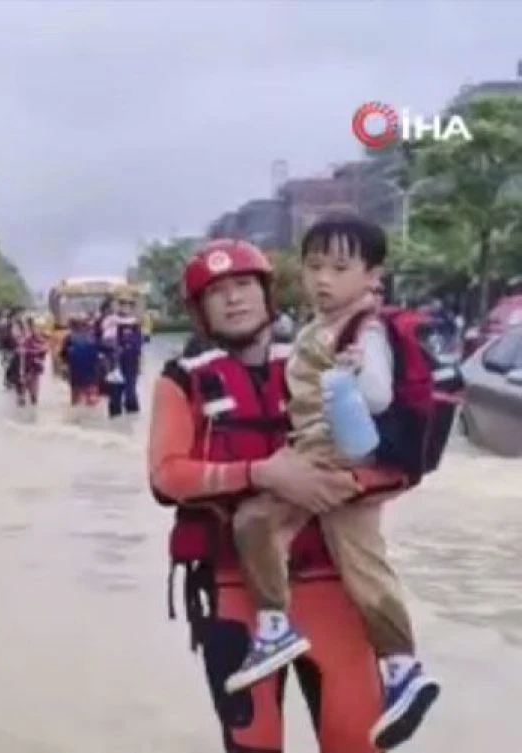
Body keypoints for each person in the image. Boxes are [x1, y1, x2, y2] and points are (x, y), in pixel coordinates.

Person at [148, 238, 418, 753]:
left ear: (268, 292)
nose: (233, 299)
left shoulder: (326, 359)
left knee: (357, 742)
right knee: (254, 744)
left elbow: (402, 459)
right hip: (234, 591)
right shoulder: (182, 381)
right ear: (200, 310)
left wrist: (336, 485)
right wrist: (262, 473)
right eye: (217, 292)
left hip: (334, 587)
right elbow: (167, 476)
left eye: (244, 285)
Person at [223, 218, 440, 748]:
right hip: (328, 457)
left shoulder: (363, 328)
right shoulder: (321, 326)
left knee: (263, 523)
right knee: (358, 562)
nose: (323, 279)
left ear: (372, 276)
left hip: (339, 461)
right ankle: (396, 668)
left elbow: (379, 396)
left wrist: (349, 375)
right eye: (314, 266)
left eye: (340, 268)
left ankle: (283, 632)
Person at [101, 291, 144, 417]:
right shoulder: (110, 321)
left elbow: (139, 343)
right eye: (123, 303)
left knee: (131, 395)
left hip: (131, 363)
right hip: (114, 363)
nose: (125, 306)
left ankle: (132, 427)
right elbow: (103, 340)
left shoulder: (136, 325)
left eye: (129, 304)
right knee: (115, 399)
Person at [60, 314, 106, 406]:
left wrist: (65, 368)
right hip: (91, 374)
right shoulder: (94, 338)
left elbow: (63, 356)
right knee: (91, 400)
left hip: (76, 374)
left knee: (76, 400)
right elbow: (101, 355)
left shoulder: (69, 338)